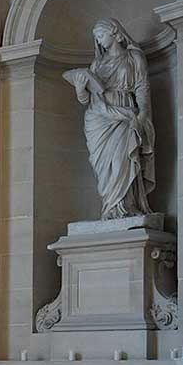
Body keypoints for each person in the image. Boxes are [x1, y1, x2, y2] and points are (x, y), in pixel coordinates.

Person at [65, 18, 155, 219]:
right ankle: (110, 207)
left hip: (123, 113)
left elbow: (142, 86)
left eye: (100, 35)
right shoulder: (97, 63)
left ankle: (126, 207)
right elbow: (87, 98)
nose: (98, 40)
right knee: (105, 167)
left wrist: (142, 114)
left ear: (114, 32)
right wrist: (80, 90)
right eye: (96, 37)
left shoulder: (134, 57)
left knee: (123, 160)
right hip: (99, 117)